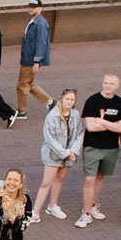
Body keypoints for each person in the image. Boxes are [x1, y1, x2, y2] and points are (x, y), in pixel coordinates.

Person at [77, 73, 121, 228]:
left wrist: (102, 121)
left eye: (111, 84)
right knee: (89, 180)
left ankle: (93, 205)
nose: (108, 86)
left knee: (100, 177)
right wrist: (113, 125)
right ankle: (85, 213)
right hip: (92, 147)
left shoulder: (120, 103)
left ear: (117, 86)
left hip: (111, 148)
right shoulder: (92, 101)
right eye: (106, 83)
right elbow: (91, 127)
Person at [34, 88, 83, 222]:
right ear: (62, 99)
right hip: (53, 154)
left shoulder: (76, 114)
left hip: (70, 154)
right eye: (67, 99)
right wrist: (66, 153)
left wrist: (74, 151)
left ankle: (53, 205)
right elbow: (49, 138)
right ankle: (35, 212)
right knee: (46, 182)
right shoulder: (52, 115)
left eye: (72, 99)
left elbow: (79, 133)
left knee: (60, 178)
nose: (70, 102)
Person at [17, 0, 51, 115]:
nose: (31, 9)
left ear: (40, 8)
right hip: (27, 58)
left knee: (22, 85)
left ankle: (22, 111)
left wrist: (36, 62)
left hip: (30, 60)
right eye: (29, 6)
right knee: (30, 84)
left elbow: (41, 44)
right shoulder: (32, 21)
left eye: (34, 7)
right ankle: (50, 102)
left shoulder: (40, 24)